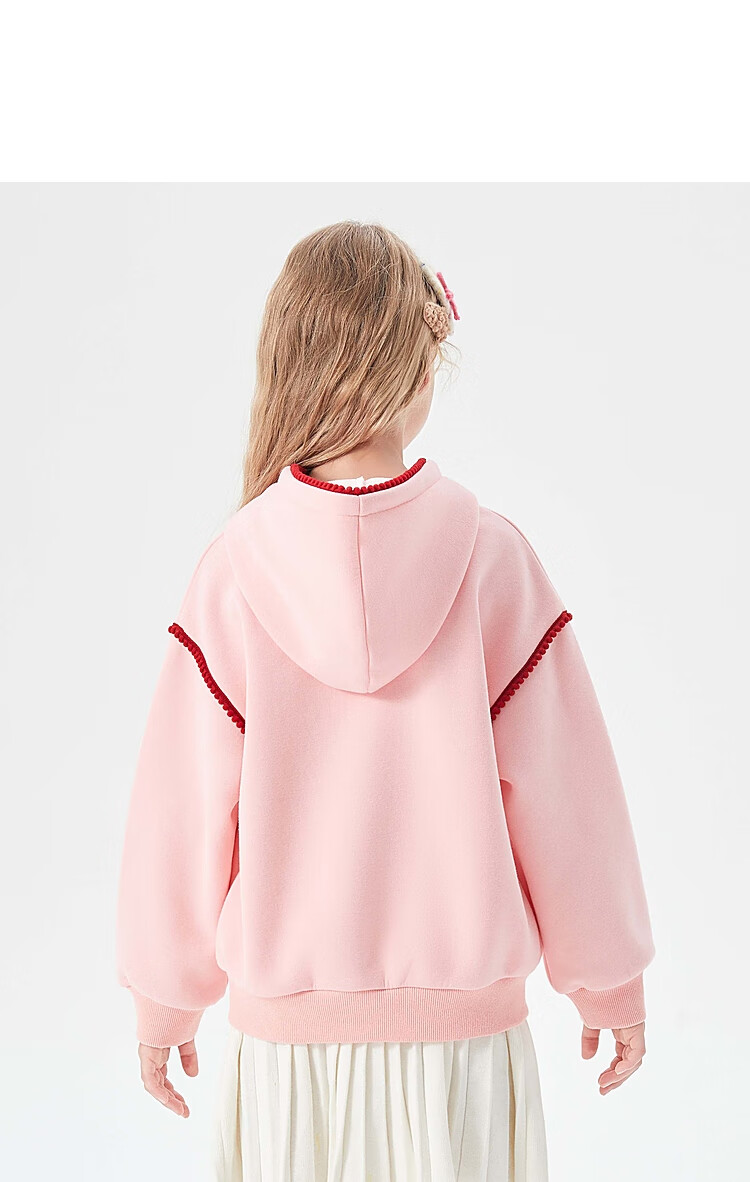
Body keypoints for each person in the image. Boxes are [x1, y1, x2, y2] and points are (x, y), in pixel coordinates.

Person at [115, 221, 655, 1181]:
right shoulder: (493, 559)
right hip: (468, 1053)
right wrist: (608, 980)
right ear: (418, 366)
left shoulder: (234, 570)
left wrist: (166, 999)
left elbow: (182, 809)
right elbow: (568, 794)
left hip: (287, 1061)